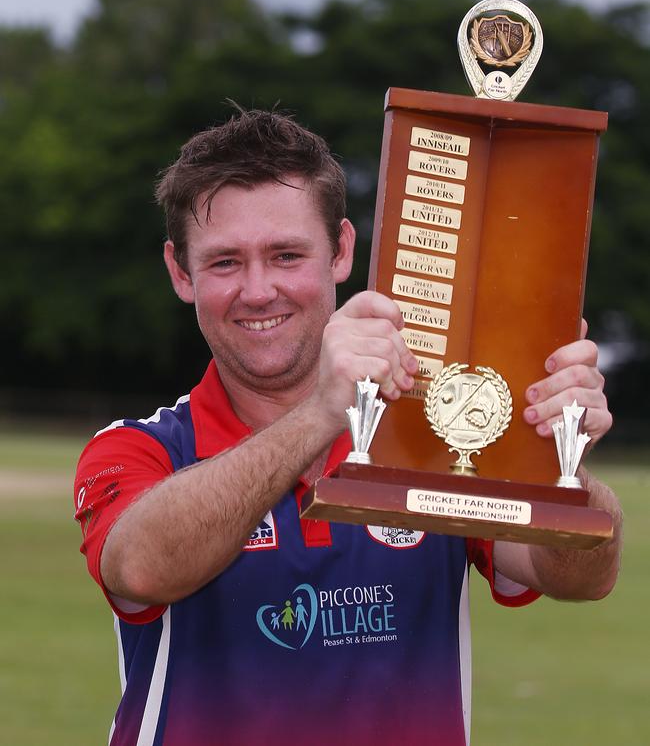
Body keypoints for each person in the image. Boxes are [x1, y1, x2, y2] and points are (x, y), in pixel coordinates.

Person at [74, 109, 622, 746]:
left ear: (340, 251)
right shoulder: (138, 447)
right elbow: (141, 569)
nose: (258, 291)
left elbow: (581, 576)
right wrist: (320, 415)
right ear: (180, 272)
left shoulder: (431, 434)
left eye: (286, 255)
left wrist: (566, 463)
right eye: (225, 262)